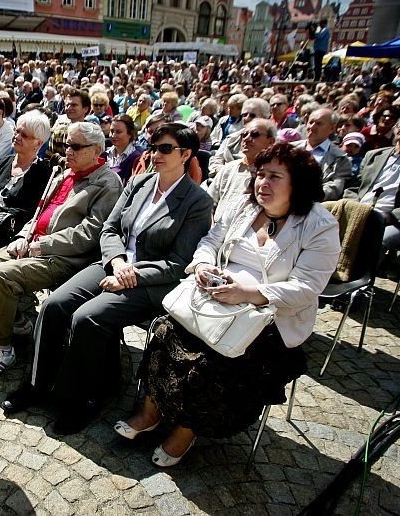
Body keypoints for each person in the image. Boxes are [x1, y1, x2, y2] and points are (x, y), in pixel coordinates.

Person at [116, 143, 340, 467]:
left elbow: (307, 287)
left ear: (299, 182)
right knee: (164, 331)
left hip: (270, 318)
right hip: (217, 298)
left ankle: (187, 429)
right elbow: (210, 242)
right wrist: (204, 266)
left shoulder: (319, 225)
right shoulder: (243, 205)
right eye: (260, 174)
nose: (263, 182)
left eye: (275, 176)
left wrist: (249, 292)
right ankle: (152, 410)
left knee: (214, 361)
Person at [1, 124, 213, 435]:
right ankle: (36, 384)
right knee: (54, 305)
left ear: (186, 154)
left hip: (152, 281)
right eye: (153, 147)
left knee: (89, 318)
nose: (156, 155)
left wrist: (131, 274)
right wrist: (116, 261)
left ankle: (81, 399)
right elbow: (110, 230)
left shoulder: (197, 201)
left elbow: (177, 263)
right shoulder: (139, 184)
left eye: (165, 149)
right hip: (114, 263)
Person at [0, 122, 123, 383]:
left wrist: (43, 244)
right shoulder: (64, 175)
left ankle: (2, 349)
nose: (67, 151)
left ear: (96, 150)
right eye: (65, 145)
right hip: (33, 244)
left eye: (75, 146)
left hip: (63, 257)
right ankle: (17, 322)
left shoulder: (107, 183)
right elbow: (39, 213)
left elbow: (90, 234)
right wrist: (22, 236)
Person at [0, 110, 53, 255]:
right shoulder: (2, 162)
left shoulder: (43, 173)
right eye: (16, 131)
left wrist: (0, 208)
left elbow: (32, 212)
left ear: (38, 143)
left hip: (7, 236)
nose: (17, 137)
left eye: (24, 135)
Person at [344, 114, 400, 252]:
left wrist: (389, 217)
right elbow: (355, 186)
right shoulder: (373, 155)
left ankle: (359, 274)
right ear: (395, 129)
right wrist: (353, 207)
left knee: (377, 241)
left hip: (393, 221)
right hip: (359, 210)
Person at [209, 119, 277, 220]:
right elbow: (208, 202)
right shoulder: (229, 168)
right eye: (244, 135)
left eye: (254, 134)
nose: (246, 139)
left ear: (271, 141)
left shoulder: (274, 175)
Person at [293, 108, 351, 201]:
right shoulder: (290, 149)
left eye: (319, 123)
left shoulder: (340, 158)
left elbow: (335, 187)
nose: (312, 127)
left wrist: (310, 195)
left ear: (332, 128)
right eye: (311, 122)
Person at [103, 114, 142, 185]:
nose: (113, 135)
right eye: (112, 131)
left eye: (118, 132)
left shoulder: (136, 159)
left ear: (130, 134)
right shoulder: (105, 154)